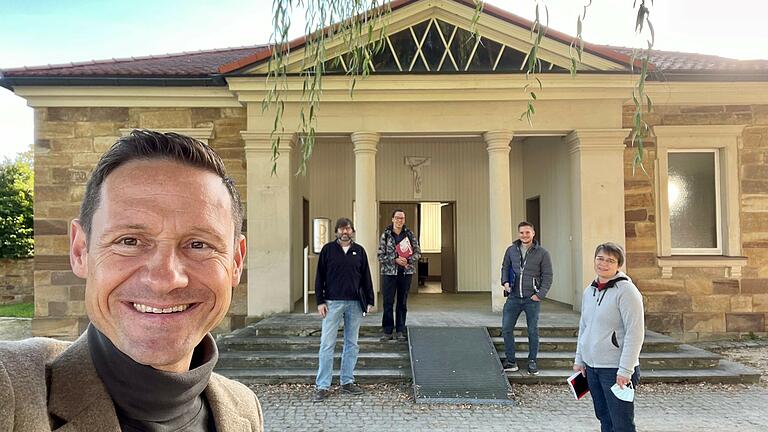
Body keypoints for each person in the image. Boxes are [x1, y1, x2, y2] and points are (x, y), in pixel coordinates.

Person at [0, 130, 262, 431]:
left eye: (199, 245)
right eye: (130, 241)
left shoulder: (243, 408)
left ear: (236, 261)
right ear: (80, 250)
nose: (165, 279)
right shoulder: (11, 391)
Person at [573, 242, 644, 432]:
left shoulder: (627, 291)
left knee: (621, 423)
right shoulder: (590, 290)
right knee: (604, 418)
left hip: (615, 369)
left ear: (618, 265)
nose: (603, 264)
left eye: (610, 260)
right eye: (600, 258)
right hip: (592, 367)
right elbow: (584, 326)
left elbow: (635, 332)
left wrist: (625, 370)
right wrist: (580, 359)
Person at [313, 218, 374, 402]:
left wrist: (369, 300)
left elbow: (366, 277)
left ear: (352, 230)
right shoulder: (328, 250)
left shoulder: (359, 251)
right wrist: (320, 301)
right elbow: (319, 277)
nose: (345, 232)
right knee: (327, 344)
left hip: (355, 304)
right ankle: (323, 385)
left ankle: (347, 382)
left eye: (347, 228)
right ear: (336, 231)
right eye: (341, 229)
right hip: (332, 303)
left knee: (352, 344)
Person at [500, 221, 553, 375]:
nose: (524, 235)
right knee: (506, 329)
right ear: (518, 234)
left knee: (532, 331)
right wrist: (505, 283)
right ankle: (511, 362)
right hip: (513, 298)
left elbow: (548, 276)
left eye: (527, 232)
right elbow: (505, 267)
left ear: (533, 233)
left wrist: (540, 295)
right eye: (522, 232)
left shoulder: (543, 253)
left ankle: (532, 362)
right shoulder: (511, 250)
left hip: (532, 299)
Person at [377, 208, 421, 342]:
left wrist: (407, 260)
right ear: (392, 219)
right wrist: (394, 259)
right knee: (388, 302)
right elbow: (380, 255)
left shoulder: (410, 234)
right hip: (389, 273)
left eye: (402, 218)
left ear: (404, 220)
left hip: (405, 273)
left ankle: (400, 330)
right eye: (397, 218)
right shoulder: (386, 235)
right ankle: (387, 331)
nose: (399, 220)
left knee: (402, 302)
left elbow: (418, 253)